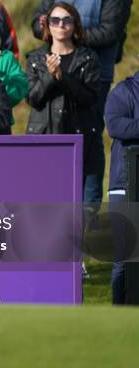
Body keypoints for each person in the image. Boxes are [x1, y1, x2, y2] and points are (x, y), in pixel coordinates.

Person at [32, 0, 133, 205]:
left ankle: (88, 211)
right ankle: (53, 204)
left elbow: (111, 31)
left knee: (89, 139)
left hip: (92, 72)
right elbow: (38, 20)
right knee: (53, 135)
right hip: (55, 64)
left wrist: (70, 33)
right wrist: (49, 28)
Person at [25, 2, 100, 190]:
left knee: (79, 203)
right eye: (55, 20)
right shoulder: (35, 58)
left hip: (79, 134)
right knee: (45, 198)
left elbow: (89, 98)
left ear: (75, 24)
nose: (61, 25)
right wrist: (50, 77)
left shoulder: (89, 58)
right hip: (44, 137)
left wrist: (62, 77)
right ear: (48, 25)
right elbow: (33, 99)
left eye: (67, 20)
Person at [104, 71, 139, 304]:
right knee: (125, 257)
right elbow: (115, 125)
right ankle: (119, 314)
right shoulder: (124, 91)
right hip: (125, 185)